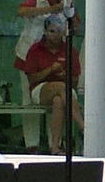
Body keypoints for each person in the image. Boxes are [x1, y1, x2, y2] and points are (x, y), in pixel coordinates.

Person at [17, 14, 83, 153]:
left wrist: (65, 76)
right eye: (52, 31)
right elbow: (32, 79)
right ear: (45, 31)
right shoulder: (35, 50)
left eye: (59, 31)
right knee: (60, 87)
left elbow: (75, 81)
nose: (56, 35)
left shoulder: (70, 51)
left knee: (59, 101)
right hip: (40, 91)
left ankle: (54, 146)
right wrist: (50, 70)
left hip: (65, 91)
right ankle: (83, 126)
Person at [13, 0, 77, 67]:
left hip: (56, 52)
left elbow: (75, 23)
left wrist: (73, 22)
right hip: (30, 50)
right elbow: (22, 11)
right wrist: (50, 9)